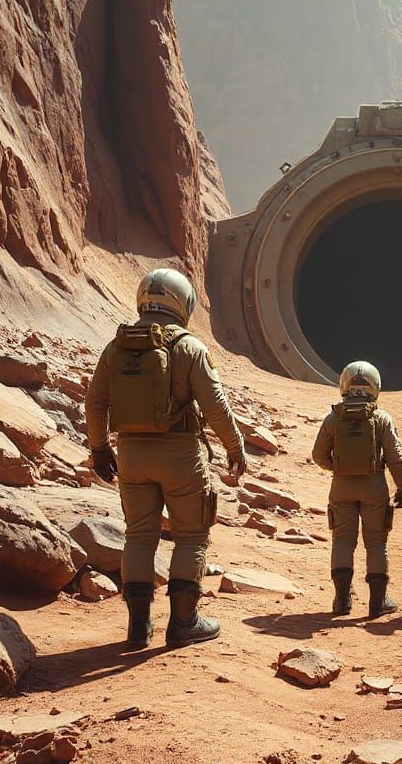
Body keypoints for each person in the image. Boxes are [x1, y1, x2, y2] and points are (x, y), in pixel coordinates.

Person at [85, 268, 247, 649]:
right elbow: (216, 406)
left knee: (139, 536)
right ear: (182, 304)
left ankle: (138, 627)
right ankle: (183, 624)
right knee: (191, 536)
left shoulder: (117, 346)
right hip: (180, 455)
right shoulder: (189, 347)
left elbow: (95, 402)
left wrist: (98, 448)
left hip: (131, 454)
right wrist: (235, 446)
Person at [311, 361, 402, 619]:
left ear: (343, 385)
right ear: (375, 387)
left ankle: (342, 600)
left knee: (343, 540)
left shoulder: (333, 418)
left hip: (341, 486)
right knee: (376, 542)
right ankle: (378, 603)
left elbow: (318, 455)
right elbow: (395, 457)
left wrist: (338, 468)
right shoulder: (381, 418)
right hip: (374, 486)